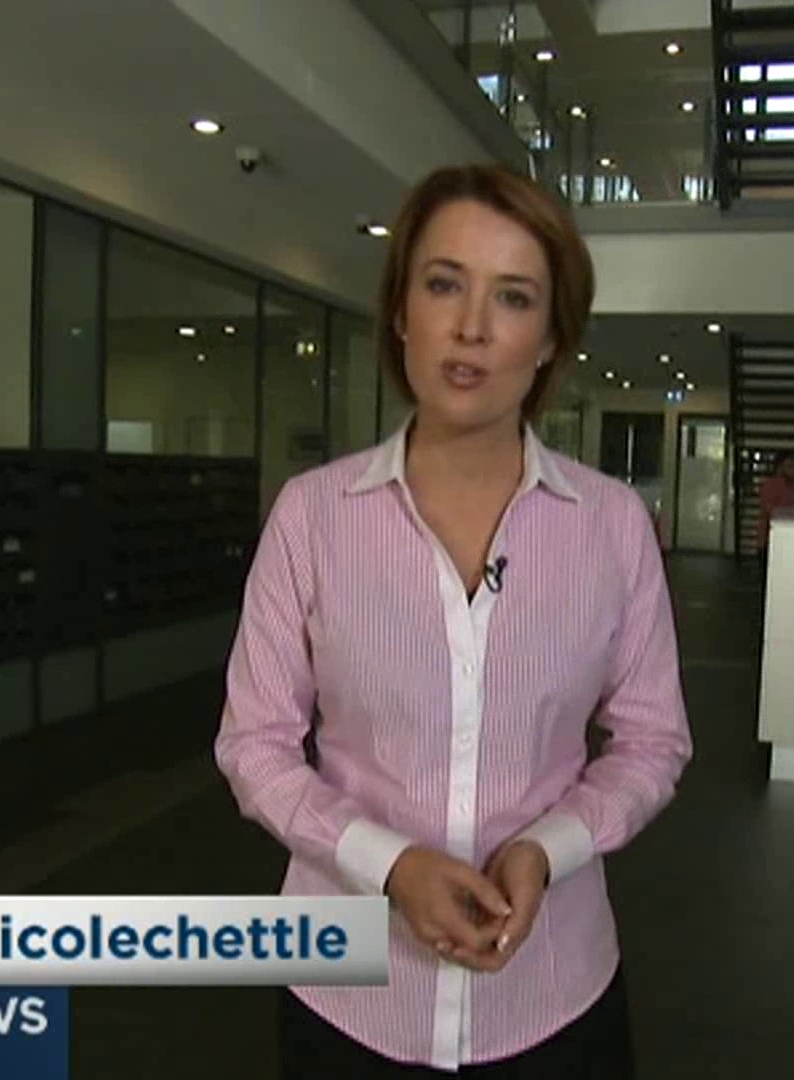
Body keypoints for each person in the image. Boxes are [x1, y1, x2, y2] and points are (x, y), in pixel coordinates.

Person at [215, 162, 693, 1078]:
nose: (471, 326)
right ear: (401, 311)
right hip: (347, 988)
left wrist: (546, 850)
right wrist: (388, 864)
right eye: (443, 285)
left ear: (551, 339)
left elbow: (652, 742)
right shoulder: (312, 517)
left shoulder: (611, 526)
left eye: (513, 297)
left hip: (553, 991)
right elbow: (254, 745)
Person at [754, 454, 794, 556]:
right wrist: (793, 511)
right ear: (779, 468)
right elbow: (770, 510)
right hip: (770, 539)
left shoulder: (793, 486)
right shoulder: (771, 485)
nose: (793, 470)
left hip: (787, 538)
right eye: (789, 466)